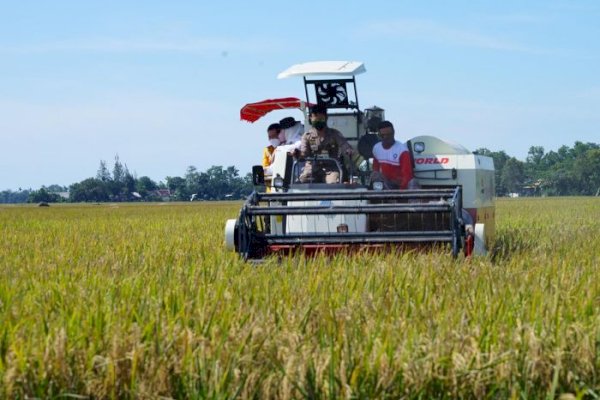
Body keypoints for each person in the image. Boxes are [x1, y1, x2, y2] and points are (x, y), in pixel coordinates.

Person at [299, 105, 353, 183]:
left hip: (331, 168)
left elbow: (344, 144)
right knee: (304, 180)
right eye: (316, 119)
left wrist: (348, 149)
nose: (318, 121)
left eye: (321, 119)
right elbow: (304, 153)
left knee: (334, 182)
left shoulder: (334, 134)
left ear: (326, 118)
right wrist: (297, 153)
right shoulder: (306, 136)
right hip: (313, 169)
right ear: (310, 118)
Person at [370, 120, 415, 189]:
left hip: (400, 184)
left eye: (388, 135)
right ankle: (378, 197)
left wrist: (400, 194)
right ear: (379, 135)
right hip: (386, 183)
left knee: (412, 183)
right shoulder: (376, 148)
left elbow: (407, 176)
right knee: (375, 175)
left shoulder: (402, 150)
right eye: (382, 135)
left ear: (393, 133)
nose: (385, 137)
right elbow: (375, 168)